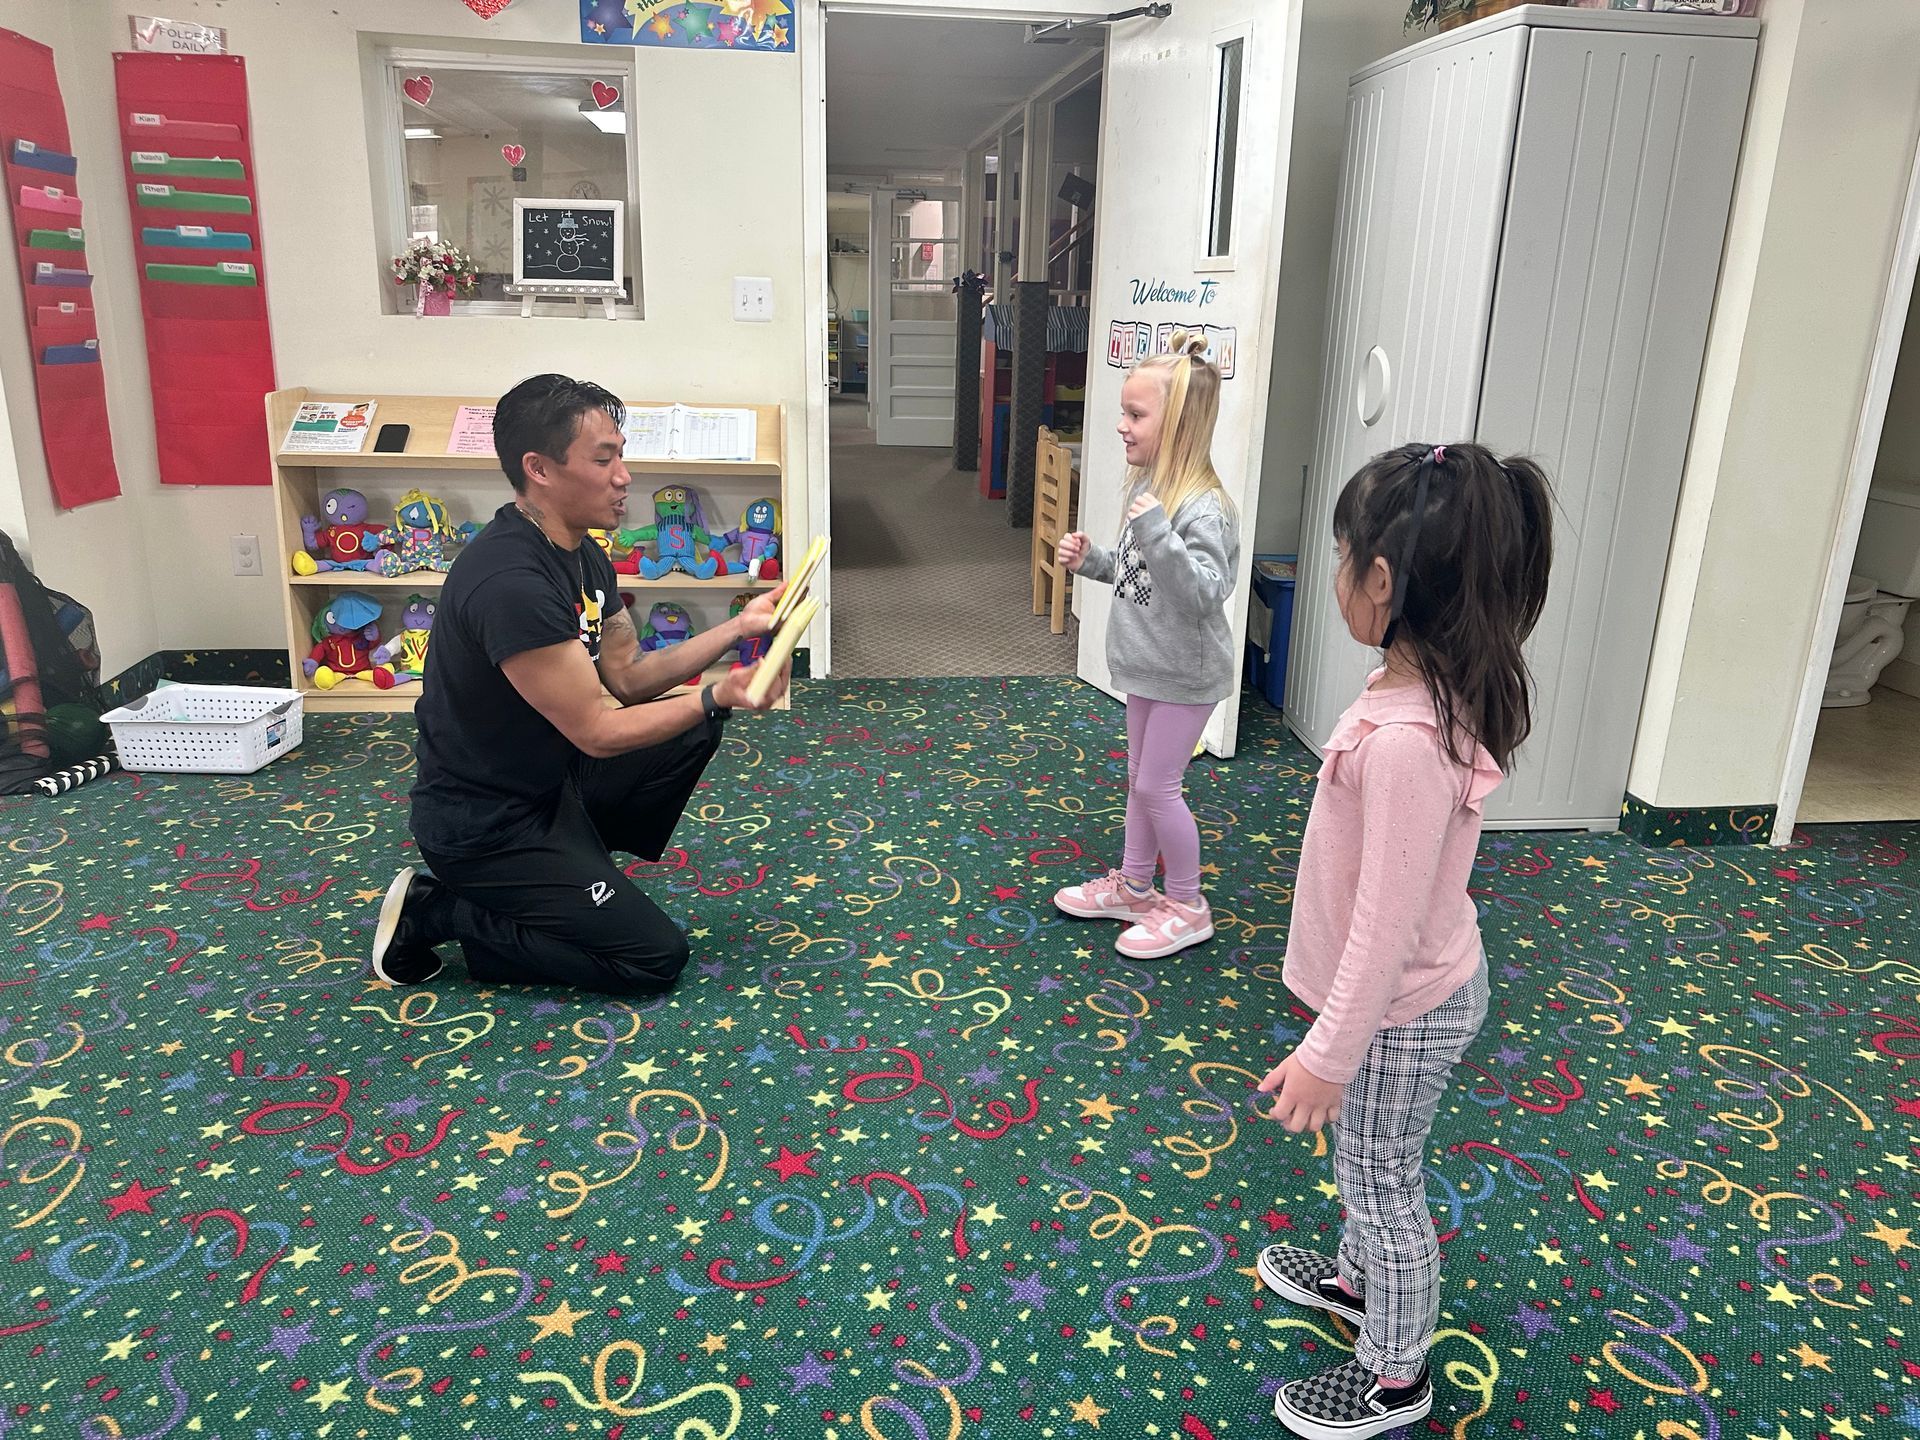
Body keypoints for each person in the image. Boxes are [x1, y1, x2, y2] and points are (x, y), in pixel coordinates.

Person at [1254, 442, 1552, 1439]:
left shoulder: (1408, 746)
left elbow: (1384, 931)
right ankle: (1352, 1283)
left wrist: (1328, 1055)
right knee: (1366, 1160)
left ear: (1380, 583)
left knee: (1382, 1177)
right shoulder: (1411, 691)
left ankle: (1395, 1374)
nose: (1337, 571)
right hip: (1399, 995)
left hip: (1406, 1006)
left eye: (1342, 555)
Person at [367, 374, 790, 996]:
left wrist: (736, 630)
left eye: (620, 454)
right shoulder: (511, 581)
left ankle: (573, 869)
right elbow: (597, 730)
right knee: (653, 959)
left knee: (689, 730)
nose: (624, 475)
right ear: (538, 468)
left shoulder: (582, 550)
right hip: (485, 825)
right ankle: (438, 911)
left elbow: (627, 677)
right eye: (603, 458)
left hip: (548, 782)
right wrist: (719, 691)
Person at [1051, 331, 1239, 961]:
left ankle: (1187, 905)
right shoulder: (1147, 493)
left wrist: (1158, 531)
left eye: (1136, 415)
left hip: (1187, 674)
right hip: (1147, 668)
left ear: (1178, 424)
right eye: (1123, 413)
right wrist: (1093, 560)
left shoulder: (1202, 510)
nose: (1121, 427)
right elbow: (1139, 576)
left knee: (1159, 788)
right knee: (1138, 781)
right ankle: (1135, 886)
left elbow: (1202, 595)